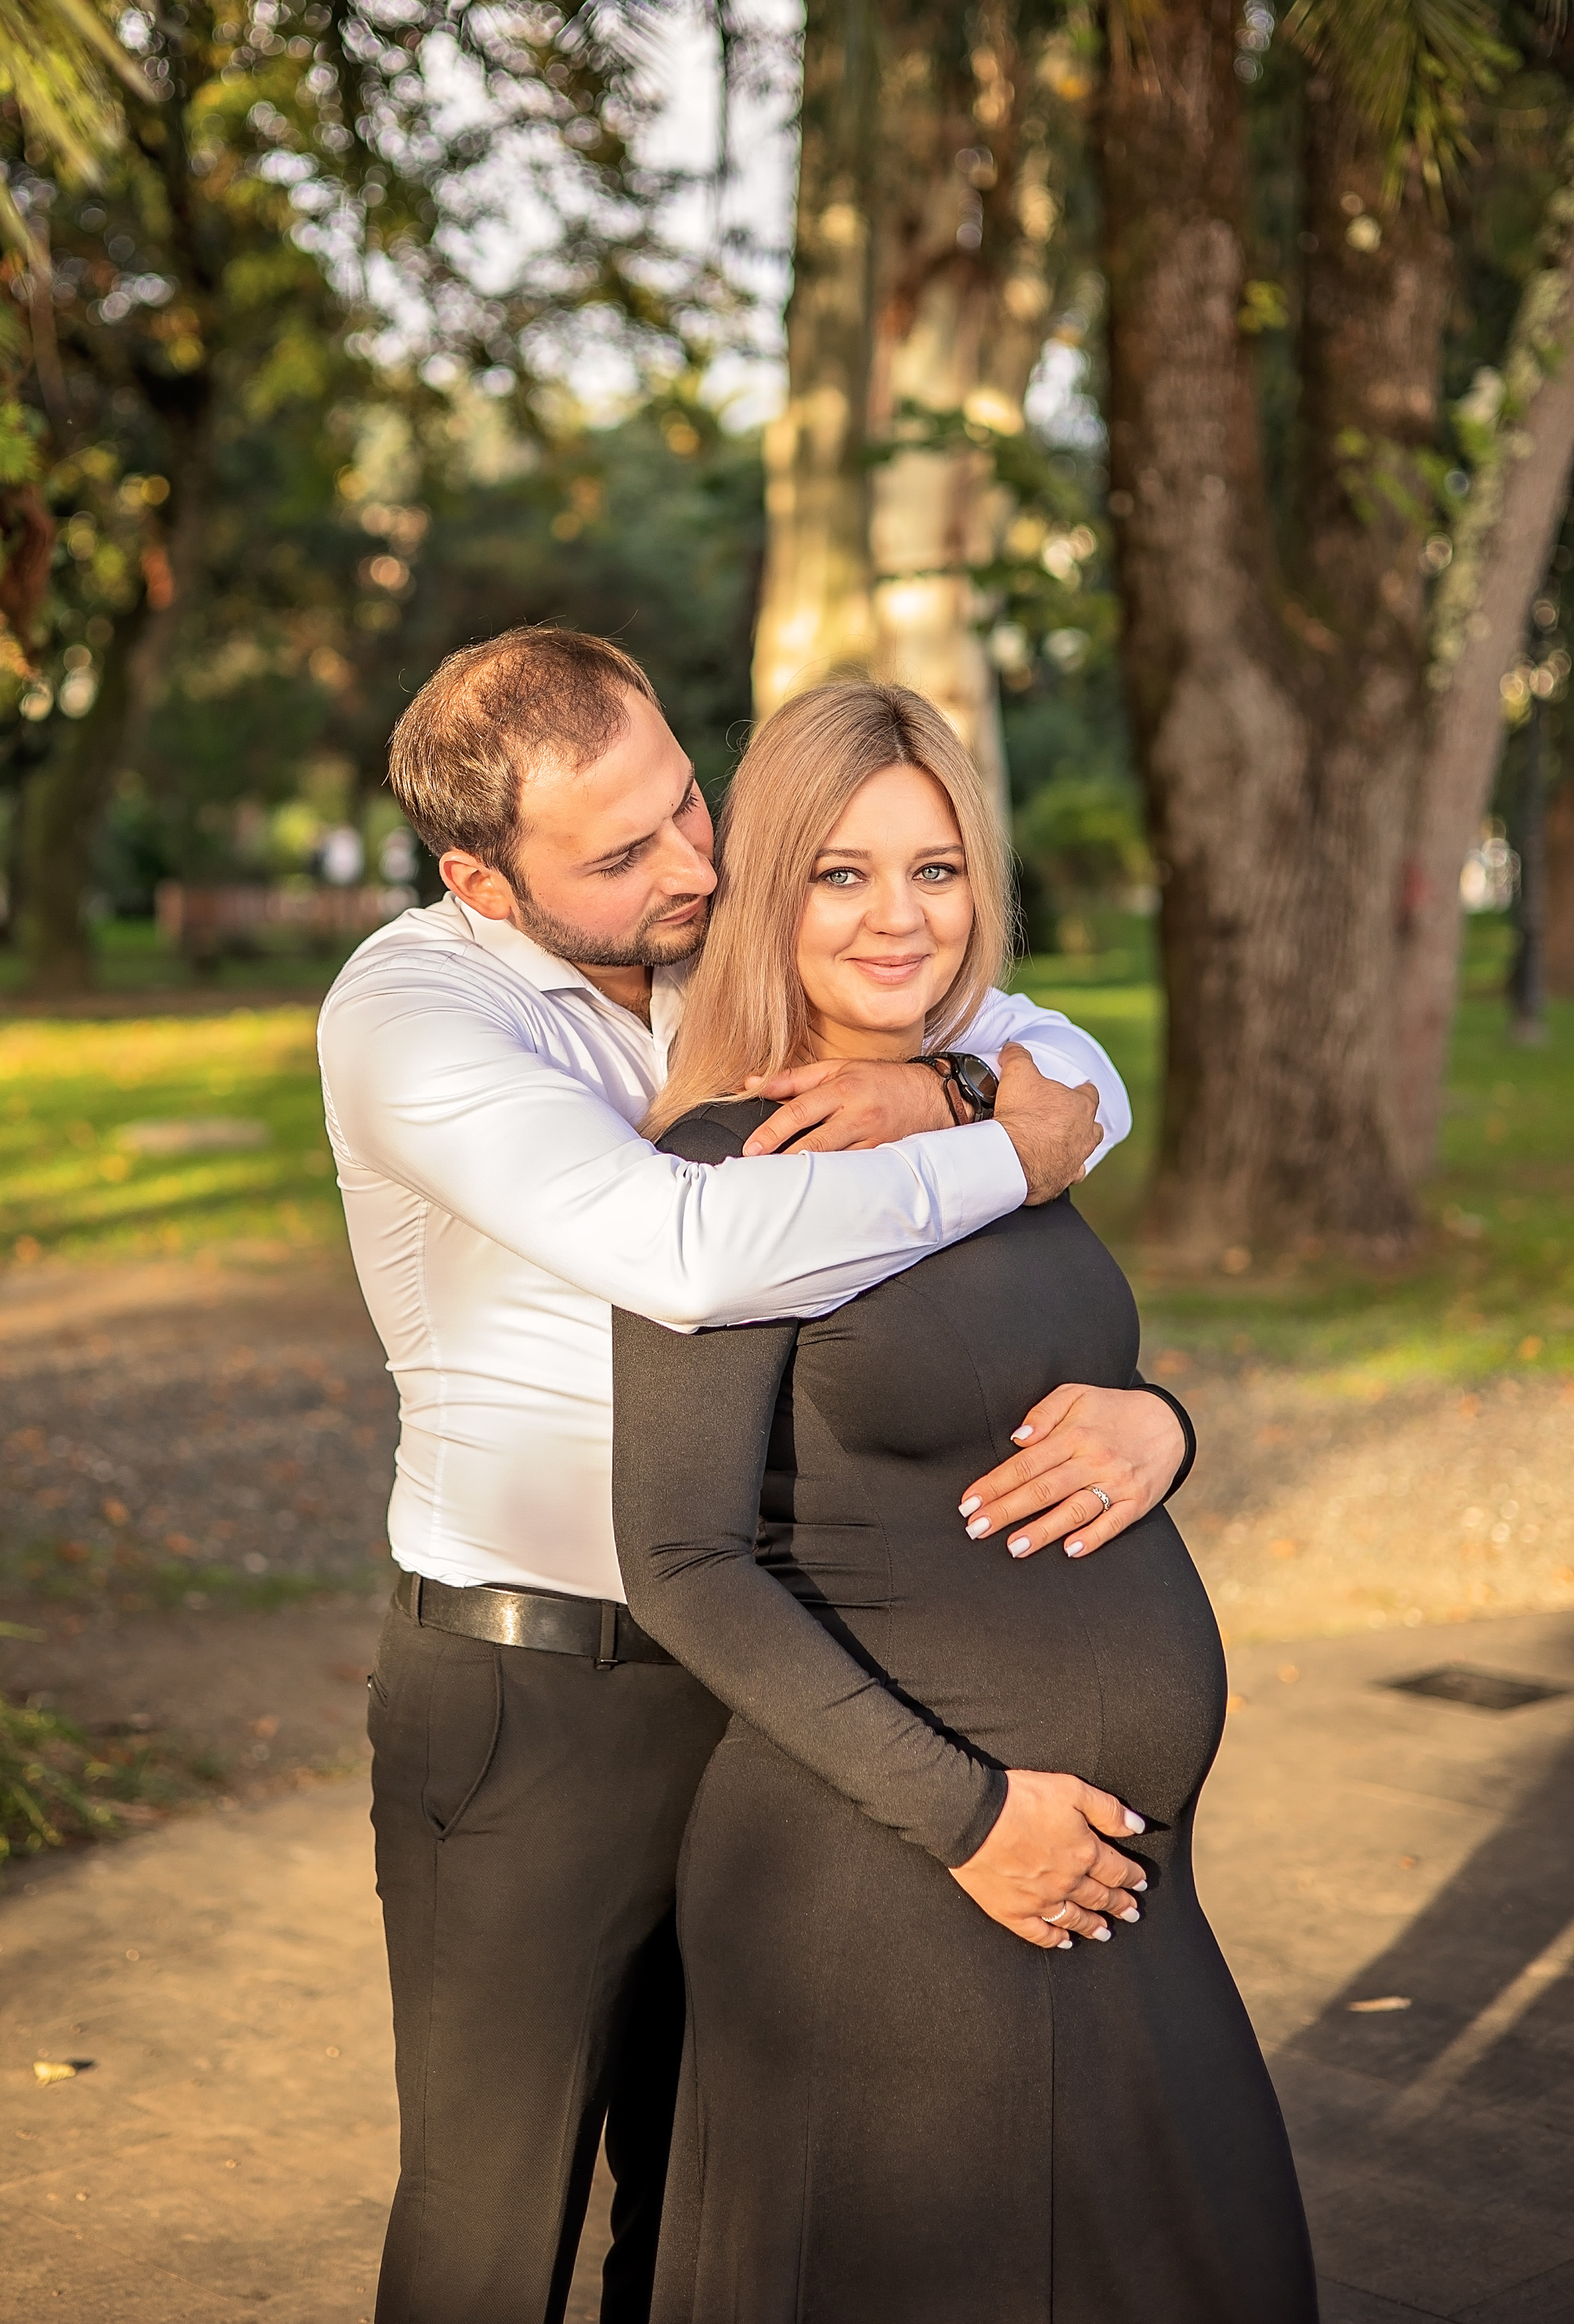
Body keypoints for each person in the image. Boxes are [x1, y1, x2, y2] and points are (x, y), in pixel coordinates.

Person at [317, 629, 1186, 2324]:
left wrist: (942, 1084)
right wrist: (998, 1150)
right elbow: (688, 1252)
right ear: (480, 880)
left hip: (768, 1684)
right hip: (537, 1694)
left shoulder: (708, 935)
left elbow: (1076, 1068)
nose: (692, 867)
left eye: (688, 805)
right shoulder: (412, 1016)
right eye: (619, 853)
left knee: (713, 2198)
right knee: (494, 2223)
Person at [612, 679, 1316, 2324]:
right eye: (840, 873)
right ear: (766, 890)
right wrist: (970, 1820)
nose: (897, 918)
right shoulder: (730, 1166)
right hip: (902, 1869)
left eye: (932, 870)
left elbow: (1042, 1374)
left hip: (1112, 1877)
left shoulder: (1004, 1111)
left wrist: (1164, 1425)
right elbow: (681, 1559)